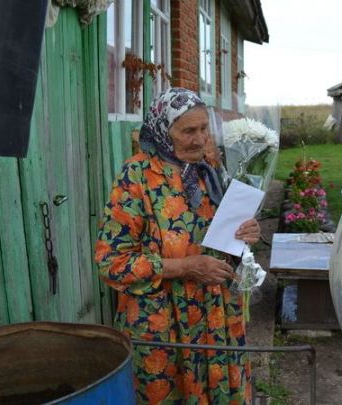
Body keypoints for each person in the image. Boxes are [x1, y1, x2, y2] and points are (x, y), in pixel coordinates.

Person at [95, 87, 260, 404]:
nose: (199, 139)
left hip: (215, 319)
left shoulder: (209, 172)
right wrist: (186, 267)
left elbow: (222, 241)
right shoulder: (138, 176)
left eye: (203, 129)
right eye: (188, 131)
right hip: (163, 324)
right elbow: (110, 261)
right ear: (163, 130)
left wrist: (244, 235)